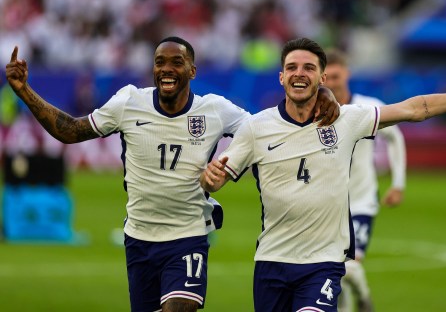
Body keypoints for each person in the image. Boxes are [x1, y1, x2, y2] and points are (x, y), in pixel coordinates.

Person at [4, 37, 340, 312]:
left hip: (188, 236)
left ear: (192, 70)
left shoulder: (215, 110)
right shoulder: (128, 103)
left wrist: (317, 94)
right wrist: (24, 91)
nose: (167, 69)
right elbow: (71, 131)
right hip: (139, 237)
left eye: (176, 63)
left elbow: (268, 129)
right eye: (160, 62)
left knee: (179, 308)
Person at [200, 37, 446, 312]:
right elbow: (216, 178)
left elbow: (413, 109)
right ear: (282, 76)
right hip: (271, 261)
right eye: (293, 67)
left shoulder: (347, 120)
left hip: (323, 262)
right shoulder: (256, 128)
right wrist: (212, 178)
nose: (300, 73)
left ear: (322, 77)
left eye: (309, 68)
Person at [324, 48, 406, 312]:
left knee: (348, 266)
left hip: (360, 202)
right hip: (326, 205)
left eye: (336, 76)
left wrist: (398, 183)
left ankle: (364, 297)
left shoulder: (368, 107)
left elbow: (396, 138)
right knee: (331, 270)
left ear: (346, 74)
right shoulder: (316, 111)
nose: (331, 83)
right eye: (327, 77)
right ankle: (359, 299)